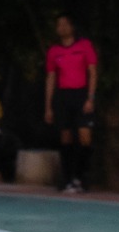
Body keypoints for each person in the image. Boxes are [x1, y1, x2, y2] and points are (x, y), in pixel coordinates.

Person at [42, 14, 98, 193]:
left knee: (84, 136)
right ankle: (67, 177)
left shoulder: (84, 46)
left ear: (73, 27)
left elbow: (92, 72)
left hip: (81, 94)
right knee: (65, 136)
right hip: (63, 96)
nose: (62, 28)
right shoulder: (54, 51)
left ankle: (81, 177)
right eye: (59, 25)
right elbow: (51, 78)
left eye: (66, 24)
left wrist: (90, 98)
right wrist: (48, 106)